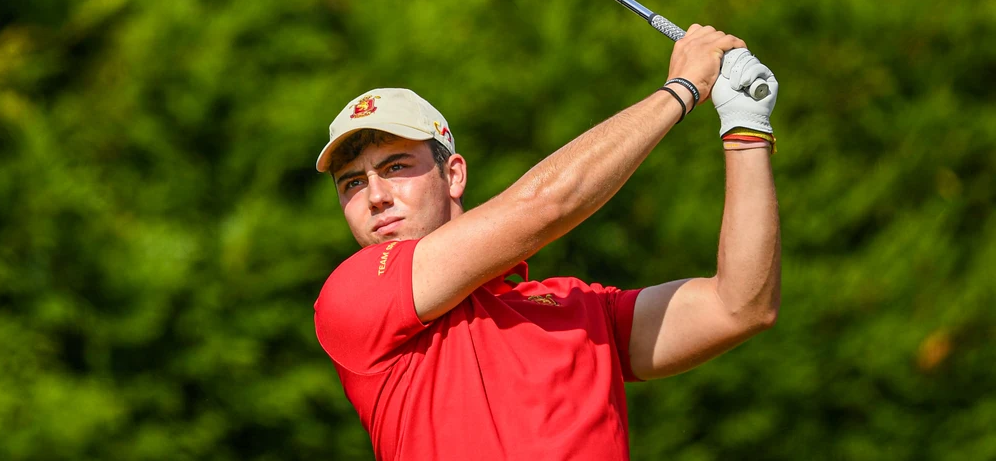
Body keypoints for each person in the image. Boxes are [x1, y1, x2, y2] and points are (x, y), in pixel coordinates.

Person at [312, 24, 781, 460]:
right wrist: (682, 90)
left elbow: (740, 306)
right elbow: (544, 208)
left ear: (453, 175)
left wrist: (747, 128)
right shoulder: (354, 295)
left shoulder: (579, 309)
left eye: (395, 167)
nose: (374, 195)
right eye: (352, 183)